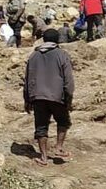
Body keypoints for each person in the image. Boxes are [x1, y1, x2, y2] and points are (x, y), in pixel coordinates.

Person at [24, 29, 74, 166]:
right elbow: (68, 80)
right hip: (58, 96)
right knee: (63, 122)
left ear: (44, 40)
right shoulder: (62, 54)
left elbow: (27, 78)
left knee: (41, 127)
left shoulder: (33, 55)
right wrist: (69, 98)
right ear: (57, 39)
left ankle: (44, 157)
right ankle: (59, 147)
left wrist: (27, 99)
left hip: (38, 97)